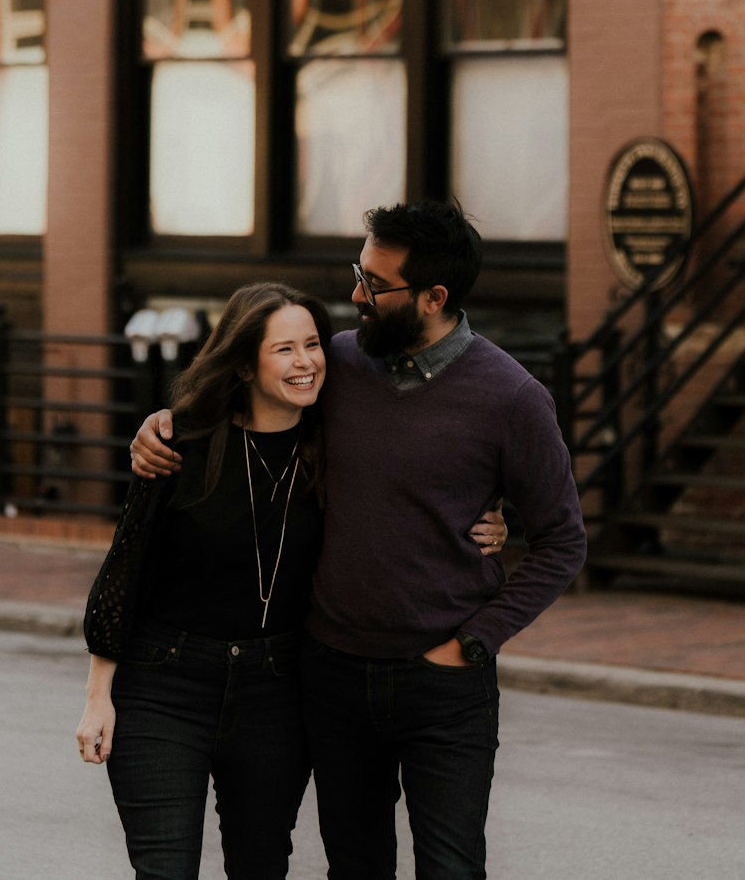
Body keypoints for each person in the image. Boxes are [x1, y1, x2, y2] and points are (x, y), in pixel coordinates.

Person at [131, 201, 587, 880]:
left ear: (433, 297)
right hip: (332, 674)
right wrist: (163, 425)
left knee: (451, 868)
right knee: (355, 867)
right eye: (358, 273)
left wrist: (477, 638)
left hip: (444, 685)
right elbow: (245, 398)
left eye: (374, 285)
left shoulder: (512, 398)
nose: (355, 296)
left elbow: (562, 540)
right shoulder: (338, 363)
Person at [78, 278, 506, 880]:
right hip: (165, 684)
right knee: (164, 868)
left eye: (313, 344)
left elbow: (418, 495)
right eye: (284, 349)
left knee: (260, 867)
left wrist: (489, 520)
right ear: (244, 363)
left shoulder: (341, 447)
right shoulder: (182, 444)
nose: (306, 362)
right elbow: (125, 572)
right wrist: (98, 699)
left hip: (275, 689)